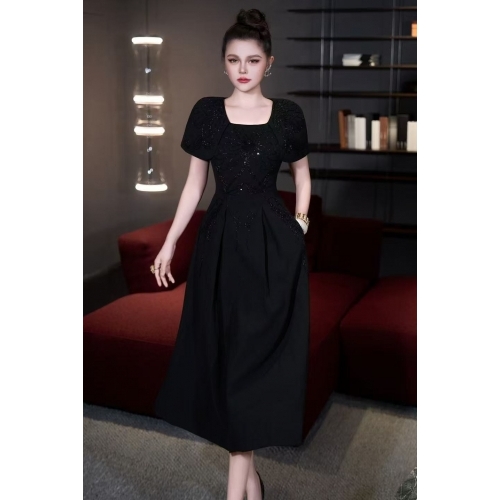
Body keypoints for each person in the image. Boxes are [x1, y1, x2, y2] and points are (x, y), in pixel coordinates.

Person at [152, 8, 311, 500]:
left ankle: (238, 491)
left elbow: (302, 176)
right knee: (228, 366)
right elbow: (194, 186)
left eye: (253, 60)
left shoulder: (288, 115)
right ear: (223, 63)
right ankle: (252, 485)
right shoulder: (206, 112)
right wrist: (171, 240)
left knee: (249, 367)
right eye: (234, 59)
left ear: (269, 64)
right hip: (219, 251)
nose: (244, 68)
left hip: (272, 252)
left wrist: (299, 226)